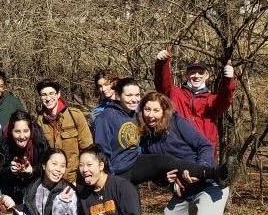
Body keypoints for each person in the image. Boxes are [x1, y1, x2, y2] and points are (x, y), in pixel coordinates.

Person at [154, 49, 236, 215]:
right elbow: (163, 87)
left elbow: (225, 100)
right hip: (180, 158)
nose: (196, 76)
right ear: (186, 75)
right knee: (181, 201)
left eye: (200, 72)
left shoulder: (211, 100)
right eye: (192, 72)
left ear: (207, 75)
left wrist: (229, 79)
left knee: (205, 208)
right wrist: (163, 63)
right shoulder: (177, 95)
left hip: (205, 158)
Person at [93, 77, 229, 186]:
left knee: (161, 162)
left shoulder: (137, 115)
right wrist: (106, 176)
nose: (134, 99)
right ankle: (211, 173)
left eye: (137, 95)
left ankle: (213, 173)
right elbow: (102, 150)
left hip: (134, 163)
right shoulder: (105, 117)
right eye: (129, 95)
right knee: (160, 161)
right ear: (118, 95)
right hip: (117, 170)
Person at [35, 79, 92, 184]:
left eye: (51, 93)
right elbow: (42, 154)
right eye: (44, 95)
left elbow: (88, 148)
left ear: (58, 95)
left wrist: (83, 176)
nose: (48, 98)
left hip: (76, 179)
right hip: (53, 180)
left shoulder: (75, 115)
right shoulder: (39, 121)